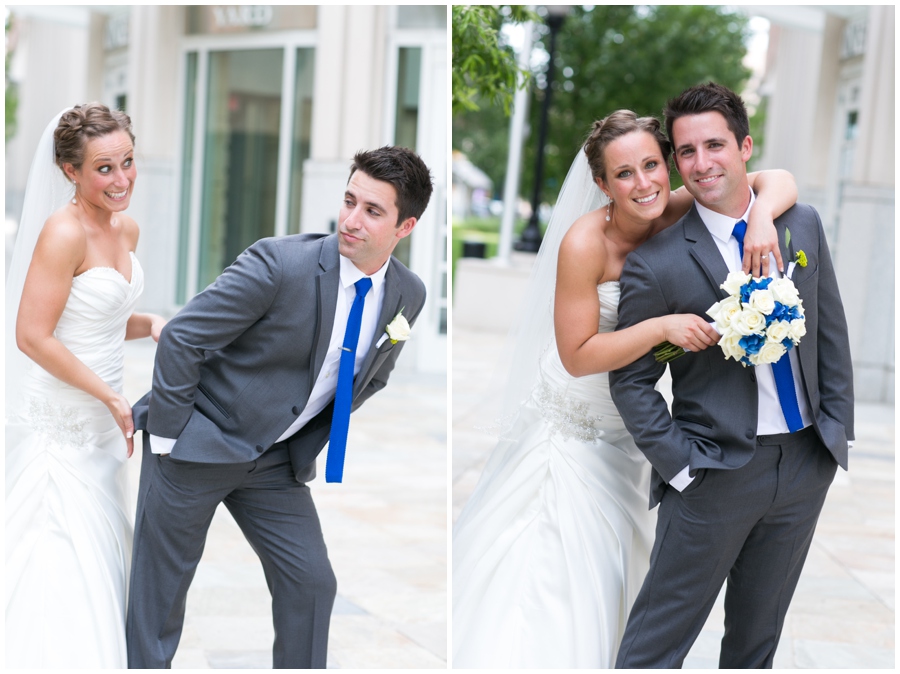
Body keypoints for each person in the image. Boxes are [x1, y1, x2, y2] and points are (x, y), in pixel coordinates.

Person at [452, 109, 798, 667]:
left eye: (652, 166)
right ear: (602, 185)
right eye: (624, 174)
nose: (644, 184)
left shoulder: (677, 206)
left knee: (624, 569)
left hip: (628, 425)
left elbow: (777, 180)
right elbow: (578, 355)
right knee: (555, 565)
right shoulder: (585, 243)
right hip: (574, 416)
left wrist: (762, 221)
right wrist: (661, 328)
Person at [126, 146, 433, 668]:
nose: (351, 220)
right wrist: (170, 441)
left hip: (273, 462)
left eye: (372, 211)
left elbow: (374, 375)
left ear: (405, 227)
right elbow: (181, 339)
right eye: (349, 201)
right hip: (195, 444)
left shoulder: (408, 294)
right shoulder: (279, 263)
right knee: (160, 603)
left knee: (311, 584)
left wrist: (301, 432)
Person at [611, 83, 853, 668]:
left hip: (802, 465)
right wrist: (682, 465)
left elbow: (830, 336)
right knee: (655, 647)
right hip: (712, 473)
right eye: (686, 152)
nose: (701, 163)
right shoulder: (658, 263)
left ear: (745, 147)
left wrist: (832, 438)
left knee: (754, 647)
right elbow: (633, 379)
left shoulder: (800, 224)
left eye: (714, 145)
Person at [5, 104, 166, 668]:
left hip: (104, 426)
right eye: (104, 168)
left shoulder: (127, 228)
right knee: (58, 555)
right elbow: (32, 335)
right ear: (69, 171)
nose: (121, 180)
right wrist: (108, 394)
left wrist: (152, 325)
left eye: (127, 162)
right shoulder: (62, 231)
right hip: (62, 421)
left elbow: (95, 319)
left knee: (100, 550)